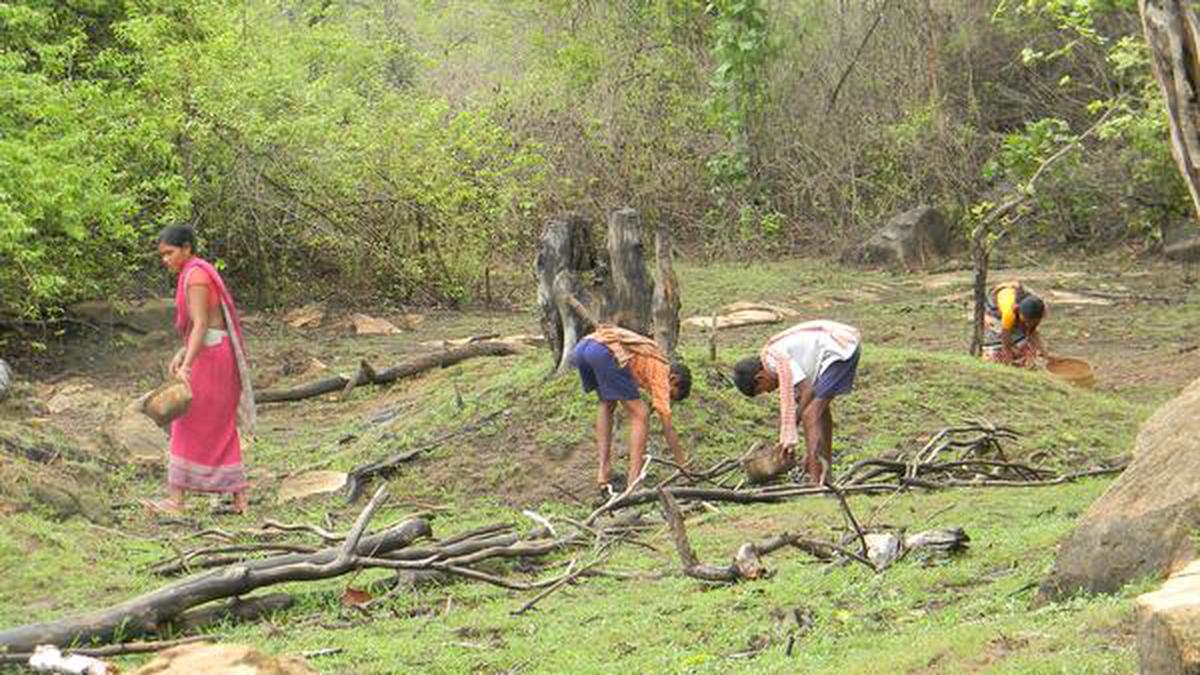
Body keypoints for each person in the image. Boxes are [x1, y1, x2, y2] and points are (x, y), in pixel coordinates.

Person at [143, 224, 255, 515]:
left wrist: (187, 366)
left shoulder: (196, 276)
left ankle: (176, 501)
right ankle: (239, 500)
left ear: (186, 249)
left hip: (213, 358)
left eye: (169, 253)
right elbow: (201, 326)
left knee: (186, 421)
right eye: (162, 255)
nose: (165, 259)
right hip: (214, 352)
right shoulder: (191, 273)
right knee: (217, 425)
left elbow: (203, 324)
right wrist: (182, 353)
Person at [732, 320, 862, 486]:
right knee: (819, 413)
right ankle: (825, 474)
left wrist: (794, 422)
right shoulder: (777, 362)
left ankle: (815, 483)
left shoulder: (775, 360)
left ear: (760, 378)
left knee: (810, 415)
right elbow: (803, 397)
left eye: (763, 390)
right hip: (842, 346)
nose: (770, 391)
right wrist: (809, 451)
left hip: (840, 348)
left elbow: (807, 390)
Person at [571, 325, 692, 497]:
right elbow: (668, 428)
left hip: (584, 348)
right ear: (673, 379)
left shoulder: (649, 359)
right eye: (670, 394)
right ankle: (634, 483)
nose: (666, 397)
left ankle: (603, 474)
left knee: (607, 403)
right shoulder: (661, 369)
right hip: (605, 351)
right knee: (640, 414)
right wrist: (683, 465)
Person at [981, 280, 1046, 368]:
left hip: (1017, 305)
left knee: (1026, 347)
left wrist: (1042, 351)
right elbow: (1005, 334)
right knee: (998, 352)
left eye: (1032, 322)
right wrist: (1008, 354)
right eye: (1026, 321)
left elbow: (1032, 331)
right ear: (1018, 310)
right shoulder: (1009, 313)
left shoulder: (1040, 307)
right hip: (995, 312)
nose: (1029, 324)